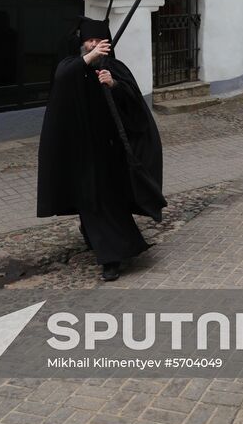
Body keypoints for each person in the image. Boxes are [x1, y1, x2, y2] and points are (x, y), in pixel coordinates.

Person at [37, 17, 166, 281]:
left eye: (98, 41)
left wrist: (114, 85)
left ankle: (111, 255)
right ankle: (106, 252)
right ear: (82, 43)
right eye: (89, 41)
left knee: (108, 201)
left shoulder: (114, 68)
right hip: (80, 151)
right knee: (89, 200)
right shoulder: (72, 67)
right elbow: (62, 77)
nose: (93, 45)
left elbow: (134, 104)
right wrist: (90, 58)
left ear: (106, 44)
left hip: (109, 151)